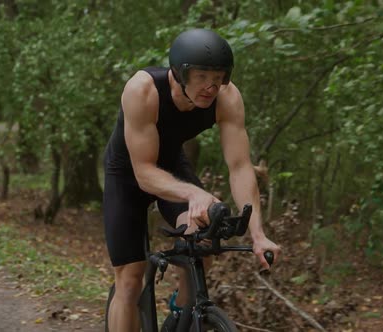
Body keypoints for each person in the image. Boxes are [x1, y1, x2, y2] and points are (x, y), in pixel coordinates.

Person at [103, 28, 281, 331]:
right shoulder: (142, 90)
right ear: (179, 73)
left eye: (218, 77)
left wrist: (258, 234)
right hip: (128, 175)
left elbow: (239, 166)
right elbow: (144, 172)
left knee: (204, 241)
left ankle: (181, 316)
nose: (211, 87)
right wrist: (193, 194)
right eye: (202, 77)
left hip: (171, 167)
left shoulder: (227, 97)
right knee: (130, 280)